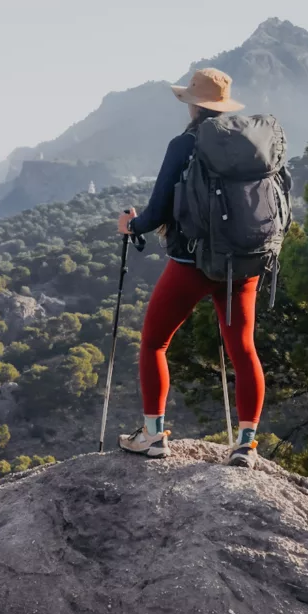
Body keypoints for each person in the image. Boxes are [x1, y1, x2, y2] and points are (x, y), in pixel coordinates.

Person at [116, 67, 265, 469]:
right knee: (243, 349)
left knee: (154, 343)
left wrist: (131, 226)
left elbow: (157, 211)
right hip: (243, 262)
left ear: (194, 105)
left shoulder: (185, 143)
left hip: (193, 263)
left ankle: (153, 436)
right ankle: (246, 444)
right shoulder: (250, 143)